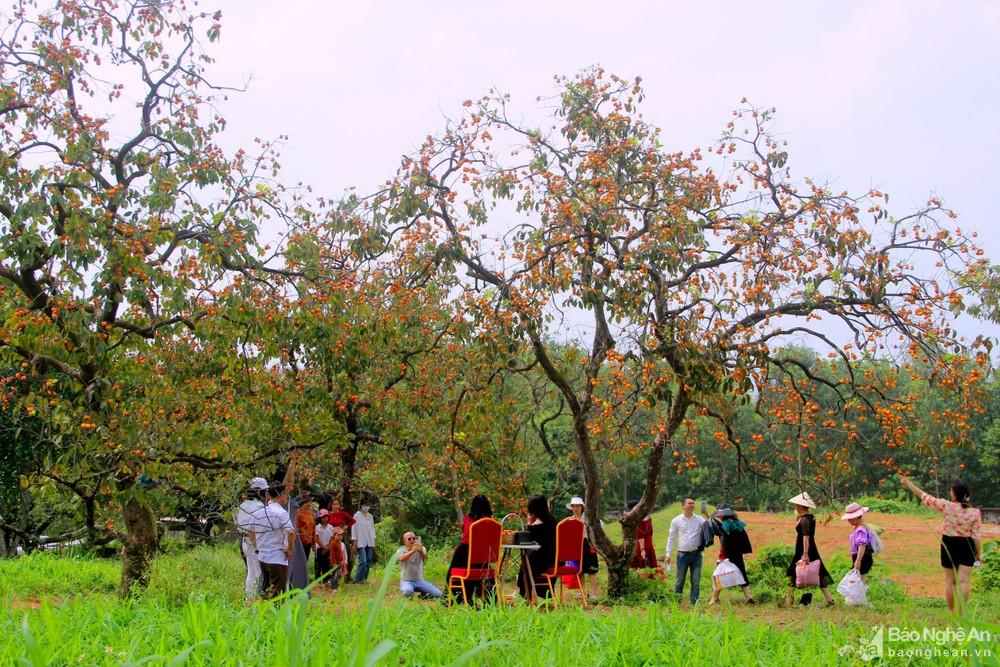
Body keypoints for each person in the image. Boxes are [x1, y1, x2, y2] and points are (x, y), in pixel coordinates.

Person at [900, 475, 983, 612]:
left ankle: (951, 611)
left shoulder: (946, 506)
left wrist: (908, 483)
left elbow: (923, 495)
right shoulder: (975, 513)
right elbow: (977, 536)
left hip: (948, 543)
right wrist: (978, 554)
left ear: (955, 493)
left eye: (951, 490)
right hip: (967, 545)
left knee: (950, 581)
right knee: (963, 581)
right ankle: (962, 614)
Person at [784, 491, 834, 607]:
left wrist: (805, 554)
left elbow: (806, 537)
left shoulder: (805, 519)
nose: (795, 507)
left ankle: (789, 600)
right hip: (808, 548)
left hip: (804, 549)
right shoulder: (809, 517)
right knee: (819, 573)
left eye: (796, 505)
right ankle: (829, 600)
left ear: (801, 506)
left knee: (792, 572)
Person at [447, 494, 494, 603]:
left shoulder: (468, 520)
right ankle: (487, 598)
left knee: (452, 573)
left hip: (465, 553)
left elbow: (467, 537)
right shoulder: (491, 522)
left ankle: (458, 598)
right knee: (476, 569)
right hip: (483, 560)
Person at [255, 481, 296, 600]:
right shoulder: (281, 513)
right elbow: (291, 532)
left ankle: (263, 613)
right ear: (281, 495)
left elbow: (250, 530)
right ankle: (276, 615)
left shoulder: (260, 512)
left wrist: (257, 545)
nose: (287, 497)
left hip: (262, 556)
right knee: (278, 591)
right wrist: (289, 549)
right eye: (285, 494)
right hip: (277, 557)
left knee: (266, 587)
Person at [707, 508, 755, 605]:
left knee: (719, 576)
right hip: (738, 554)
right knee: (742, 574)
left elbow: (724, 541)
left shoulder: (725, 525)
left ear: (723, 515)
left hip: (727, 554)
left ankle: (714, 599)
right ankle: (748, 597)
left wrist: (723, 556)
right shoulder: (738, 524)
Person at [664, 498, 707, 604]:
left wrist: (706, 514)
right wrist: (668, 553)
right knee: (679, 580)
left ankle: (694, 602)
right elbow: (671, 537)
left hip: (697, 554)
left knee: (696, 580)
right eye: (689, 503)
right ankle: (677, 601)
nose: (692, 505)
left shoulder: (699, 519)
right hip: (682, 555)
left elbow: (710, 527)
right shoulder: (676, 520)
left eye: (693, 503)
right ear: (683, 506)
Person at [517, 494, 557, 600]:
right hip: (556, 559)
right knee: (530, 560)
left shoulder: (537, 525)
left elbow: (528, 541)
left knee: (526, 564)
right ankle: (540, 593)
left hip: (544, 561)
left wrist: (529, 524)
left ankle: (529, 596)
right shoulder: (554, 522)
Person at [235, 477, 269, 601]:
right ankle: (256, 600)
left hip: (244, 541)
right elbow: (253, 529)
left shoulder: (243, 505)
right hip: (254, 541)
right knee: (259, 573)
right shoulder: (259, 507)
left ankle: (248, 600)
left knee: (251, 573)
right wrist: (257, 547)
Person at [567, 496, 600, 599]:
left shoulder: (589, 518)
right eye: (574, 506)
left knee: (591, 569)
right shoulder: (569, 520)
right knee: (580, 570)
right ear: (571, 507)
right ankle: (582, 592)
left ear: (582, 507)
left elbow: (598, 528)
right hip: (576, 545)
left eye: (578, 506)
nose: (576, 508)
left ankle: (594, 593)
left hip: (588, 544)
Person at [396, 531, 443, 599]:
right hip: (406, 581)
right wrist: (413, 551)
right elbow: (401, 558)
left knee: (439, 594)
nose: (412, 540)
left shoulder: (421, 548)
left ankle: (423, 595)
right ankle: (410, 593)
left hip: (419, 580)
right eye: (409, 539)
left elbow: (424, 558)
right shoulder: (401, 550)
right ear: (404, 542)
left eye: (413, 538)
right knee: (407, 592)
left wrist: (420, 551)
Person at [841, 502, 875, 583]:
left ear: (856, 517)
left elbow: (862, 545)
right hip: (862, 557)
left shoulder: (860, 530)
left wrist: (858, 560)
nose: (848, 520)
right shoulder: (860, 528)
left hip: (862, 557)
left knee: (855, 582)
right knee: (859, 582)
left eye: (850, 518)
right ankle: (858, 595)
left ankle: (857, 595)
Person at [351, 501, 377, 583]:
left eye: (368, 505)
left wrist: (374, 541)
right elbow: (354, 529)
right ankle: (357, 579)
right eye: (365, 505)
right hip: (360, 541)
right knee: (363, 560)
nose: (367, 507)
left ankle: (364, 579)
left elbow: (372, 529)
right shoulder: (356, 516)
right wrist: (354, 542)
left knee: (368, 560)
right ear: (361, 506)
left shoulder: (370, 516)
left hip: (369, 541)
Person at [628, 500, 657, 569]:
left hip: (640, 544)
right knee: (650, 565)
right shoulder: (648, 517)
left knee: (639, 565)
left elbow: (640, 535)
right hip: (649, 543)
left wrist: (642, 549)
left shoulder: (637, 520)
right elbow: (650, 533)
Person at [313, 509, 335, 587]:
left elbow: (332, 538)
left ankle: (326, 580)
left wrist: (328, 547)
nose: (324, 519)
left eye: (326, 517)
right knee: (319, 564)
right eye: (323, 517)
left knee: (327, 564)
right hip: (319, 548)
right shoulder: (317, 527)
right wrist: (323, 547)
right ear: (320, 518)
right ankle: (318, 580)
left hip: (328, 548)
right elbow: (317, 538)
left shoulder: (331, 527)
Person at [295, 497, 317, 563]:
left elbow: (313, 528)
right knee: (299, 562)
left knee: (305, 561)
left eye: (310, 502)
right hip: (300, 542)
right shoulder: (298, 514)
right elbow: (296, 529)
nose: (310, 503)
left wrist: (314, 542)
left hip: (308, 542)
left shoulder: (311, 513)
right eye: (308, 502)